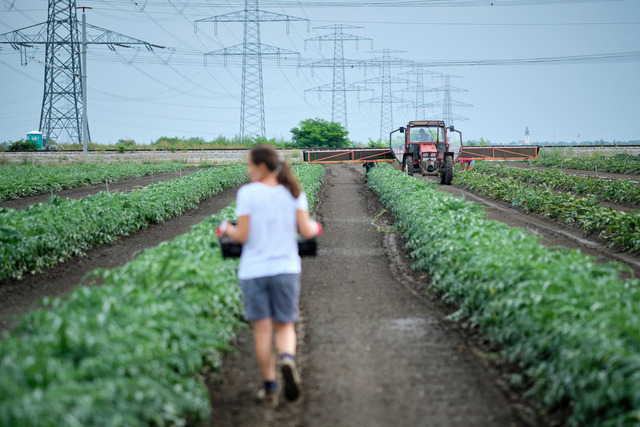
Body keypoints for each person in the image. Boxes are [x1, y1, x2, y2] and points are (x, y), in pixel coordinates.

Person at [216, 145, 321, 407]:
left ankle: (270, 387)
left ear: (262, 166)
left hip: (254, 271)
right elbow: (307, 232)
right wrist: (315, 226)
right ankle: (287, 358)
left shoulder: (248, 194)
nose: (248, 170)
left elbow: (242, 235)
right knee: (285, 325)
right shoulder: (293, 192)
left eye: (250, 165)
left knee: (262, 330)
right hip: (285, 268)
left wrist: (226, 228)